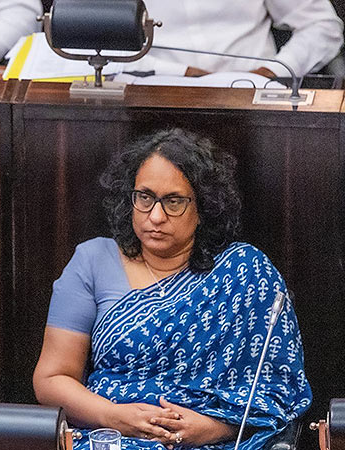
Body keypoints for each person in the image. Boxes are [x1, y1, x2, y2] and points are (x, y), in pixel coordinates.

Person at [32, 129, 312, 450]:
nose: (155, 216)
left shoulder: (244, 271)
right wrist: (114, 416)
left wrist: (213, 428)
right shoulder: (92, 260)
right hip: (113, 437)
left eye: (174, 201)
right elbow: (52, 380)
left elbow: (278, 388)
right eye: (145, 197)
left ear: (203, 207)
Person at [123, 0, 344, 78]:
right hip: (153, 96)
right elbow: (96, 41)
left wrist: (274, 72)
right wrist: (179, 74)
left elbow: (322, 26)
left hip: (254, 99)